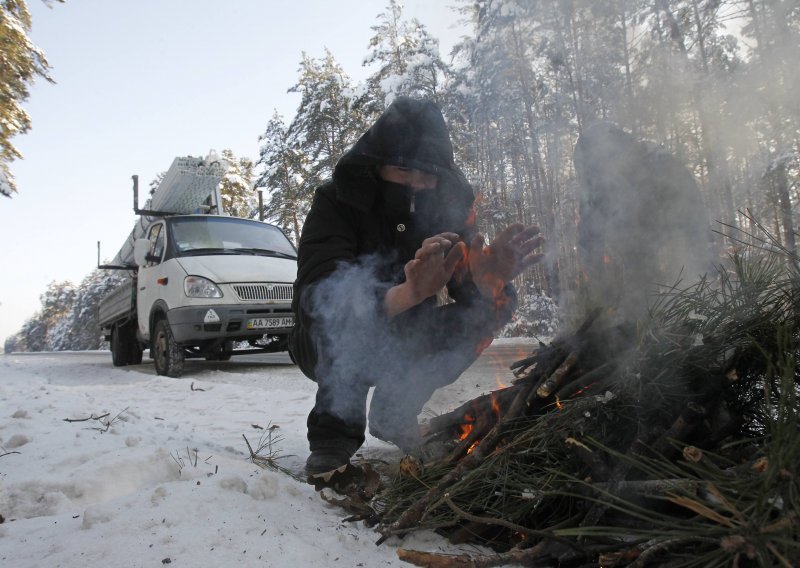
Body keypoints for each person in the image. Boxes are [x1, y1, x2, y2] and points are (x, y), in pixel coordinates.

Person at [289, 97, 544, 476]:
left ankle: (395, 411)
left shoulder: (447, 213)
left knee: (493, 306)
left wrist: (489, 282)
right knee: (340, 310)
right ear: (376, 165)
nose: (416, 184)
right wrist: (408, 294)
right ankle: (334, 433)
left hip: (407, 340)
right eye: (403, 169)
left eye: (428, 175)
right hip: (325, 340)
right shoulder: (336, 202)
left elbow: (471, 298)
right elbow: (317, 296)